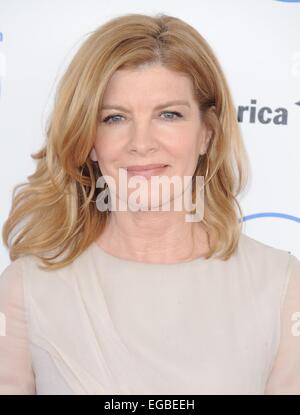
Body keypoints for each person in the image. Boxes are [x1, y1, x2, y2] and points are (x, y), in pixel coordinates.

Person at [0, 12, 299, 395]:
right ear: (89, 141)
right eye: (115, 118)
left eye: (168, 114)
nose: (141, 142)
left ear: (207, 134)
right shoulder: (28, 287)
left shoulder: (281, 287)